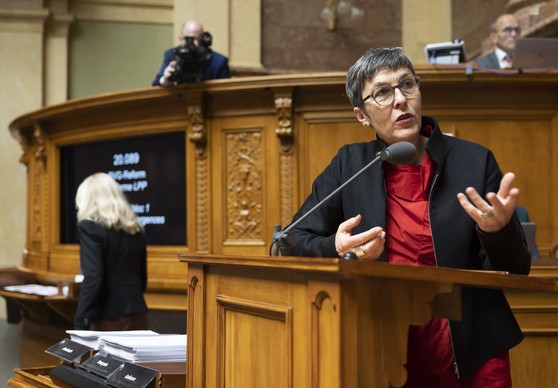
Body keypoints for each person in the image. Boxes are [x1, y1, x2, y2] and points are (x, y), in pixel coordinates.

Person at [281, 47, 531, 387]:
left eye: (407, 85)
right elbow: (289, 242)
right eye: (383, 92)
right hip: (385, 346)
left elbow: (516, 269)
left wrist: (498, 231)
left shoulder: (474, 162)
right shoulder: (351, 166)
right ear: (362, 115)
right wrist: (335, 249)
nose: (400, 99)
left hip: (470, 345)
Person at [74, 172, 149, 331]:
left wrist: (80, 322)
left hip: (107, 320)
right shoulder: (135, 229)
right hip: (137, 316)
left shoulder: (89, 228)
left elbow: (93, 278)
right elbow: (142, 278)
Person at [152, 19, 231, 86]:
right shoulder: (173, 55)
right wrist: (165, 80)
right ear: (181, 39)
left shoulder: (218, 62)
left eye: (198, 39)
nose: (196, 44)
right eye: (190, 40)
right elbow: (156, 85)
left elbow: (225, 94)